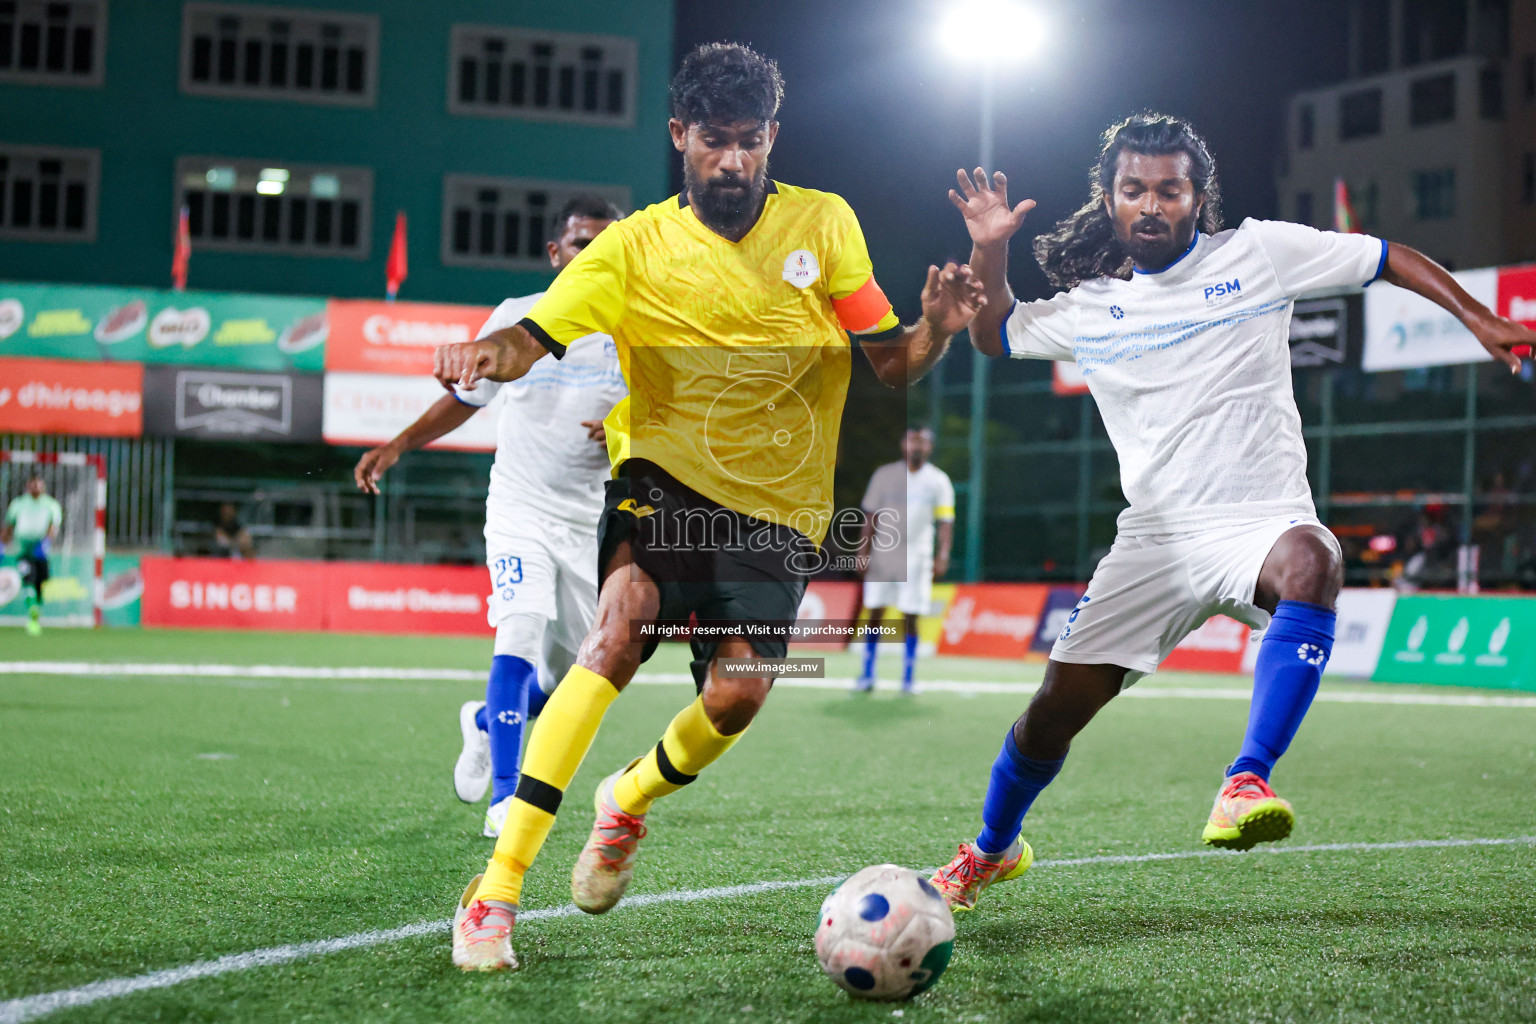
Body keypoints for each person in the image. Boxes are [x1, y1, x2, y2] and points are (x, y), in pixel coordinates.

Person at [434, 42, 985, 972]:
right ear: (680, 136)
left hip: (781, 514)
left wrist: (938, 328)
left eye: (752, 142)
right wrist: (486, 354)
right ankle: (496, 888)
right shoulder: (631, 246)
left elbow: (889, 362)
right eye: (716, 142)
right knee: (619, 626)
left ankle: (626, 802)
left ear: (773, 137)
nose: (734, 162)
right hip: (662, 478)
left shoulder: (825, 225)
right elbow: (534, 337)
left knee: (736, 695)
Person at [926, 113, 1536, 912]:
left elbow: (1386, 257)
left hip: (1261, 521)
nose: (1151, 204)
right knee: (1051, 717)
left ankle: (1244, 782)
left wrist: (1478, 317)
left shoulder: (1257, 253)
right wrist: (991, 244)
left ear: (1197, 197)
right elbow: (994, 332)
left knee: (1314, 560)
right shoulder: (1093, 308)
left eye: (1169, 190)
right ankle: (992, 850)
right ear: (1109, 200)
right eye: (1134, 189)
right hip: (1153, 543)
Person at [354, 195, 627, 838]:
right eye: (579, 244)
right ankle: (508, 797)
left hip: (592, 524)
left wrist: (624, 427)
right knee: (519, 631)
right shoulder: (517, 319)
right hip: (520, 508)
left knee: (573, 682)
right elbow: (466, 400)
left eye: (604, 246)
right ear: (554, 254)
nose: (592, 256)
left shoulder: (635, 329)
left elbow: (669, 415)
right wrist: (397, 444)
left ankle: (483, 722)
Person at [854, 426, 954, 692]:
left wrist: (942, 555)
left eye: (922, 441)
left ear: (930, 447)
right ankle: (867, 673)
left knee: (912, 614)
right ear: (903, 445)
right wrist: (862, 552)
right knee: (875, 610)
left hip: (918, 555)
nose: (916, 446)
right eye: (912, 440)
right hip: (884, 553)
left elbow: (945, 522)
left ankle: (908, 678)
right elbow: (870, 517)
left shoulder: (939, 480)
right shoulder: (884, 475)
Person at [2, 473, 63, 636]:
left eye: (38, 483)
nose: (35, 486)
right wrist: (2, 545)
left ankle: (35, 613)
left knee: (41, 581)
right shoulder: (18, 504)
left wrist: (45, 543)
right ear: (28, 485)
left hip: (40, 552)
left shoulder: (51, 505)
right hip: (23, 550)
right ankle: (32, 613)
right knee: (28, 578)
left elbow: (53, 526)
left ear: (43, 485)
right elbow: (9, 527)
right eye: (32, 483)